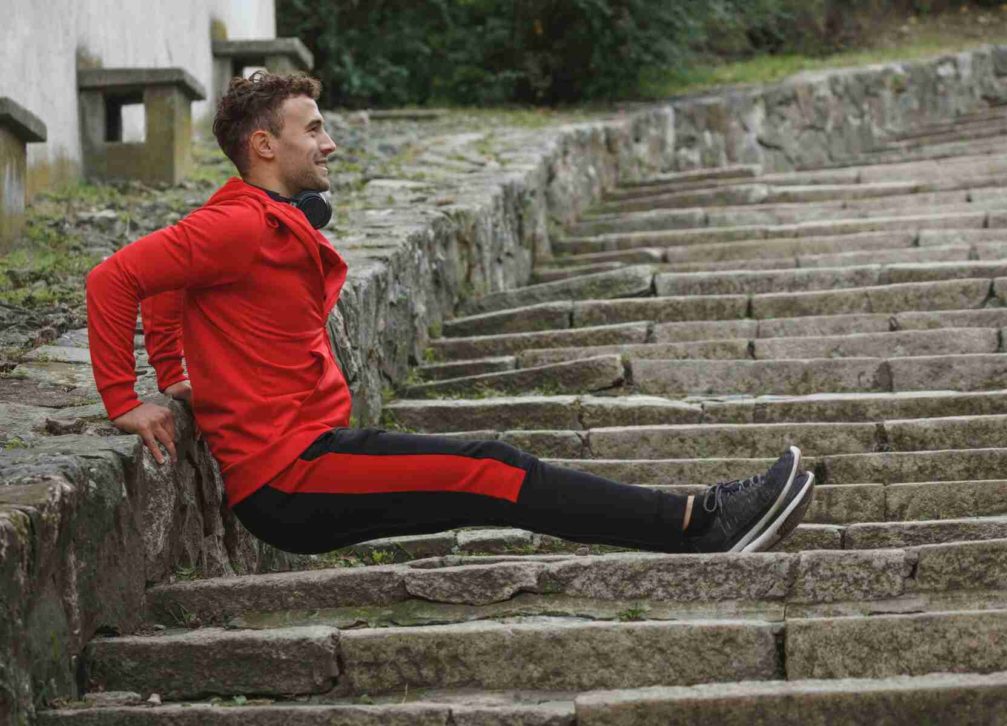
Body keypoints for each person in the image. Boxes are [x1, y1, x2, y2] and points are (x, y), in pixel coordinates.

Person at [85, 71, 815, 557]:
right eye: (313, 129)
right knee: (493, 471)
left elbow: (164, 286)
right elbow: (116, 279)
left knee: (495, 472)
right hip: (289, 480)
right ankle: (702, 523)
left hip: (311, 456)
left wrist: (178, 372)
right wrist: (126, 398)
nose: (329, 141)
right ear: (264, 145)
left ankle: (699, 518)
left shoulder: (255, 223)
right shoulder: (238, 225)